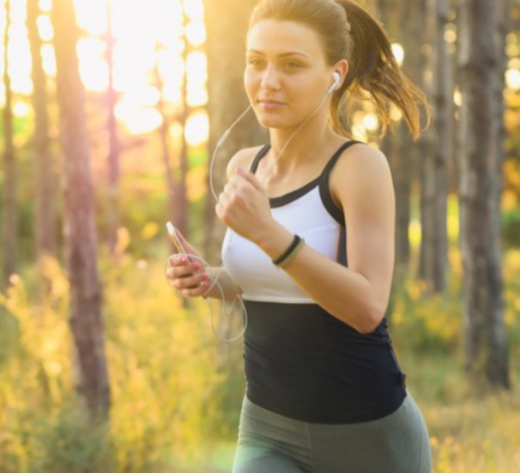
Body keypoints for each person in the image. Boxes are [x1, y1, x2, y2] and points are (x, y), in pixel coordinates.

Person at [165, 0, 432, 471]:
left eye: (292, 65)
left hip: (368, 433)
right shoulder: (243, 166)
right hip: (268, 427)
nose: (268, 82)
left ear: (335, 73)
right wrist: (210, 279)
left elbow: (367, 307)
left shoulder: (357, 168)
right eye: (256, 62)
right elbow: (268, 282)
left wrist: (269, 234)